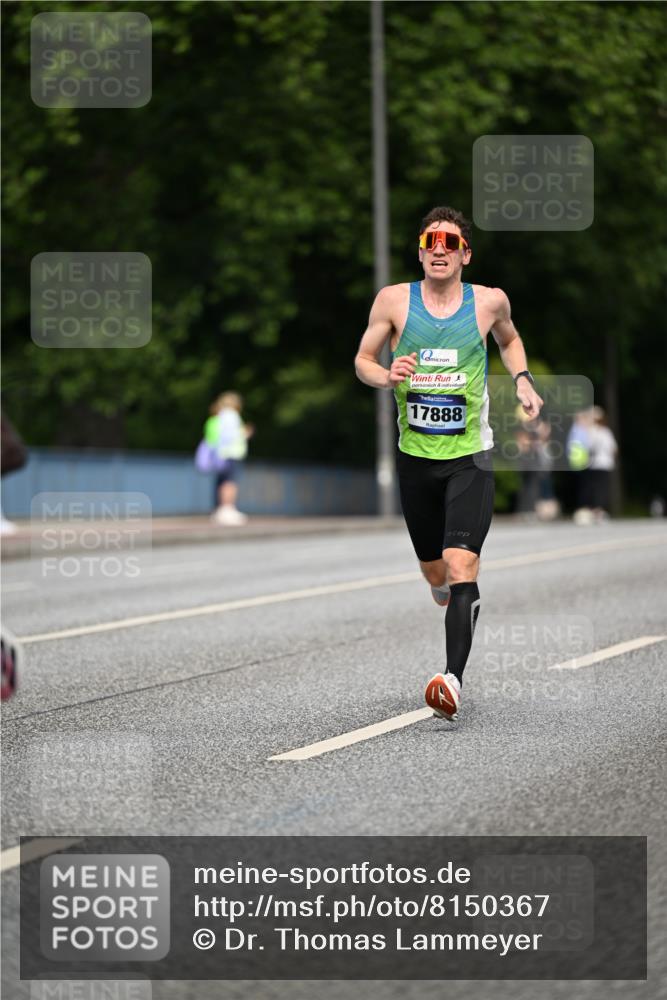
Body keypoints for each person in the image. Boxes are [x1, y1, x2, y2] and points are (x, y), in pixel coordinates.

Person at [354, 205, 543, 720]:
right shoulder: (394, 301)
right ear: (420, 251)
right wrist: (386, 374)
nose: (439, 248)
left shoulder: (488, 302)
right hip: (416, 459)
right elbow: (362, 361)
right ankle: (440, 586)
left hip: (470, 458)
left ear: (465, 254)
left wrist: (523, 379)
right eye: (430, 240)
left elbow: (509, 339)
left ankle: (451, 679)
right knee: (434, 569)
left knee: (462, 564)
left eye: (449, 242)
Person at [205, 392, 253, 526]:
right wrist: (244, 433)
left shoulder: (220, 415)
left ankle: (221, 509)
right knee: (230, 482)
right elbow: (231, 436)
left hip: (221, 453)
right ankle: (228, 509)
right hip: (231, 453)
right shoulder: (232, 415)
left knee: (222, 481)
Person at [588, 406, 618, 520]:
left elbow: (588, 447)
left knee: (595, 487)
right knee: (602, 487)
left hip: (594, 463)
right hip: (605, 463)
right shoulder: (606, 432)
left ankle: (595, 509)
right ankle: (598, 509)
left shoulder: (591, 431)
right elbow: (614, 449)